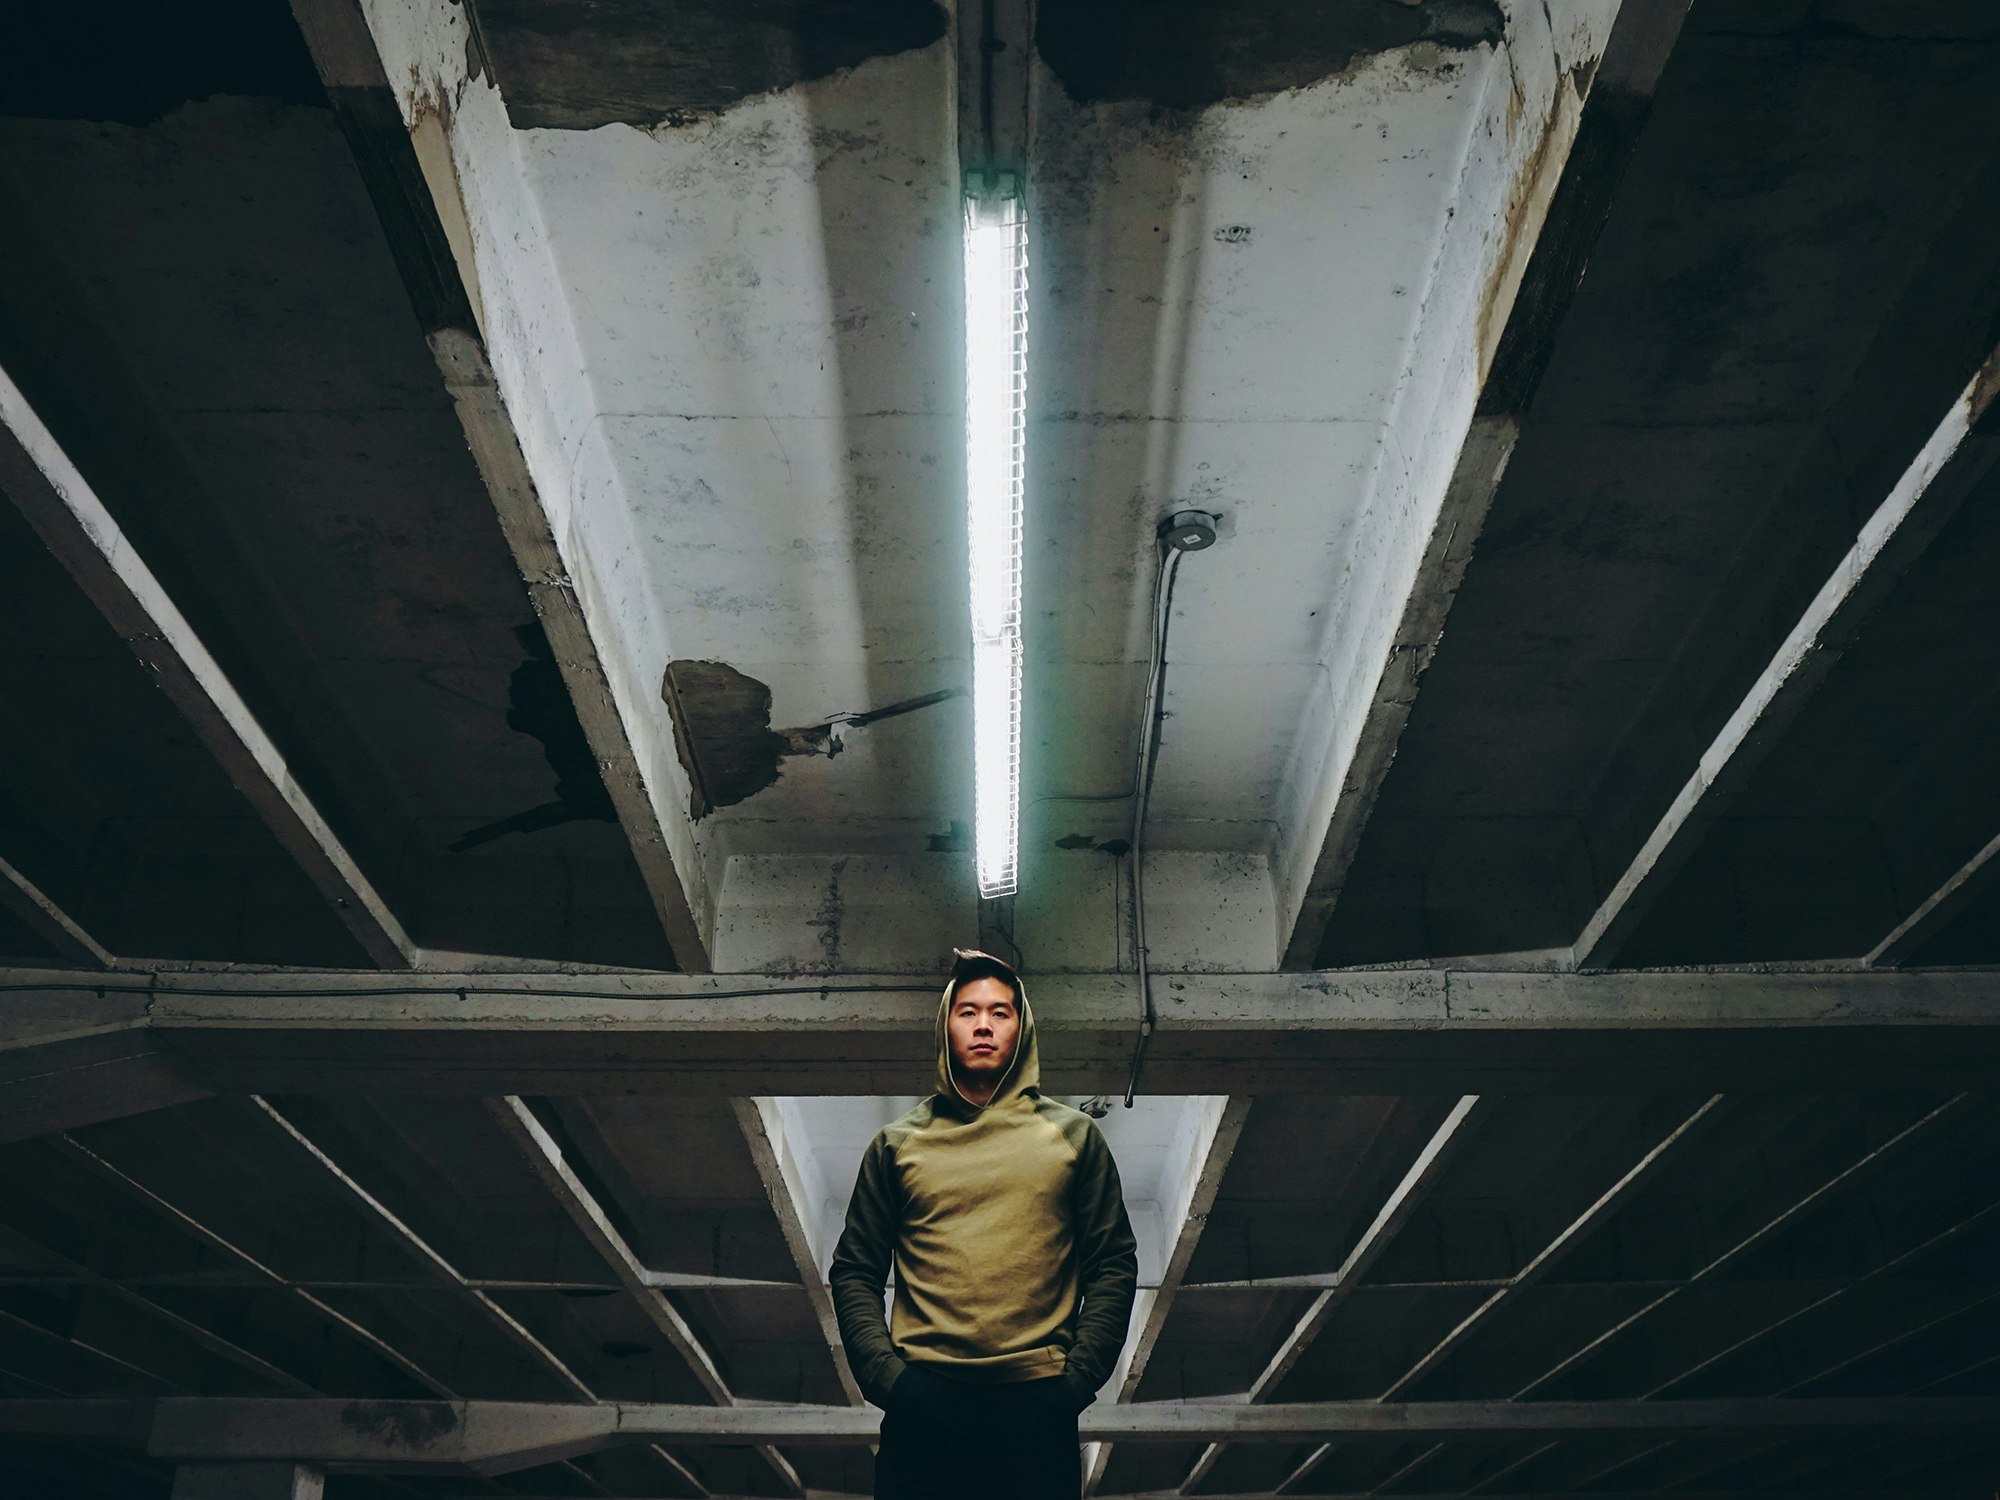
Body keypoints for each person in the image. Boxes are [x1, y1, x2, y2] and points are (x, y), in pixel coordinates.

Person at [830, 948, 1139, 1499]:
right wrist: (889, 1380)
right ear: (946, 1026)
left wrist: (1075, 1384)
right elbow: (855, 1268)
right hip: (923, 1403)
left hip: (1038, 1403)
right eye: (968, 1011)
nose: (983, 1026)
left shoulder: (1073, 1136)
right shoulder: (899, 1143)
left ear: (1022, 1028)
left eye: (1001, 1012)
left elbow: (1112, 1263)